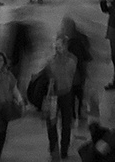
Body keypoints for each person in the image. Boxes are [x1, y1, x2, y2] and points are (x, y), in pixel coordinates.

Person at [42, 33, 79, 161]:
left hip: (66, 94)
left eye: (60, 46)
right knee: (52, 123)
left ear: (65, 46)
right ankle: (54, 148)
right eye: (56, 46)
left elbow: (70, 75)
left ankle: (64, 148)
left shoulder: (71, 60)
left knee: (66, 122)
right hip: (54, 95)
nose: (57, 48)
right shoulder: (52, 61)